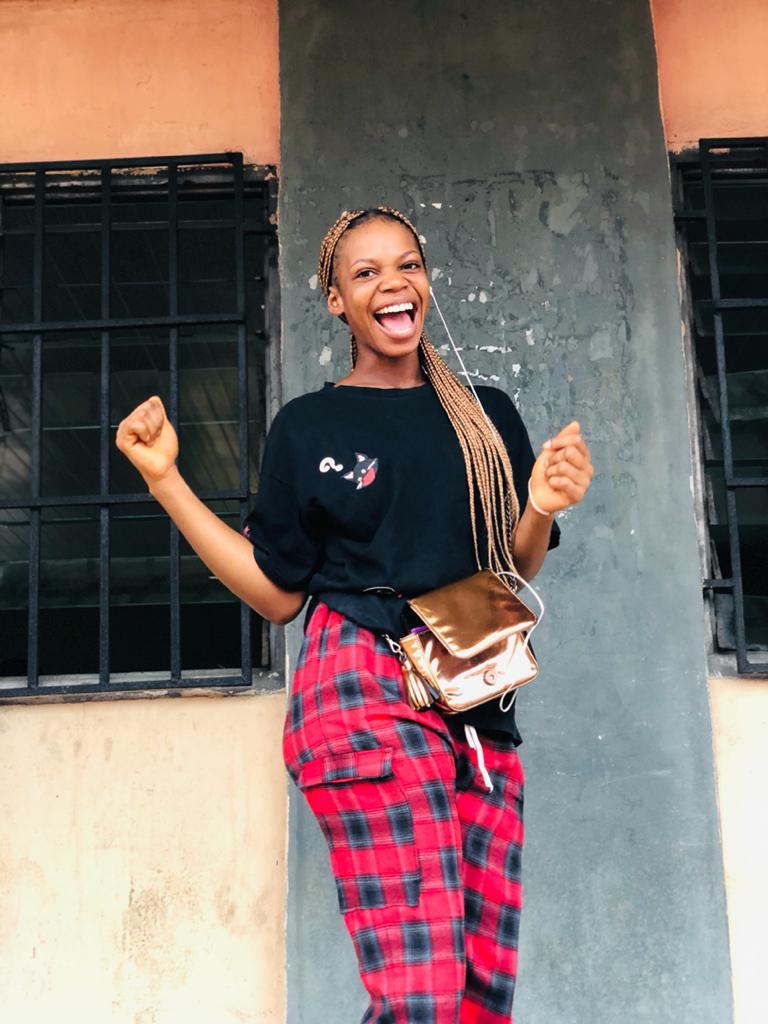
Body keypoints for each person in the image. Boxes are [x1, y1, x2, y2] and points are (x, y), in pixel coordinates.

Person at [116, 206, 594, 1023]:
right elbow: (277, 591)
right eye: (365, 272)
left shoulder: (485, 415)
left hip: (478, 702)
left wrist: (542, 505)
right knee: (420, 994)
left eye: (406, 264)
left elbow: (511, 566)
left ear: (426, 281)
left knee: (479, 998)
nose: (392, 283)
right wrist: (166, 480)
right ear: (337, 301)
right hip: (362, 686)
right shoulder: (311, 426)